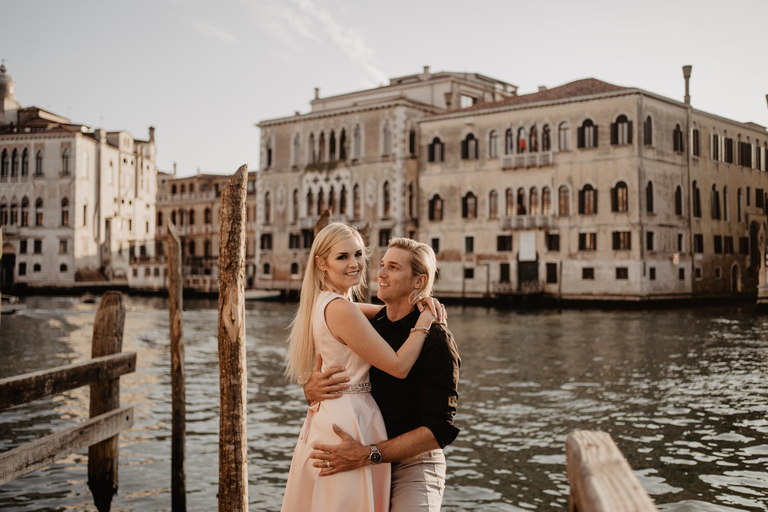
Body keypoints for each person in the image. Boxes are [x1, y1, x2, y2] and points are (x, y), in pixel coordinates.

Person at [281, 224, 445, 512]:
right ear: (322, 263)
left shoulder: (330, 304)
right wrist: (424, 321)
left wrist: (423, 301)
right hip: (350, 422)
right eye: (342, 257)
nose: (355, 264)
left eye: (358, 254)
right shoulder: (342, 309)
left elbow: (386, 312)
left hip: (335, 418)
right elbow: (398, 366)